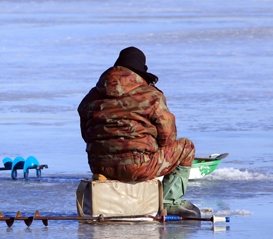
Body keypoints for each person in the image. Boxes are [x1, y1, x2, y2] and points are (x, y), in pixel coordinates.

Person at [77, 46, 200, 218]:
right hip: (140, 165)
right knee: (187, 147)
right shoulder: (151, 95)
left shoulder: (91, 97)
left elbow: (86, 134)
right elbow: (168, 136)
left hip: (100, 165)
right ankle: (169, 202)